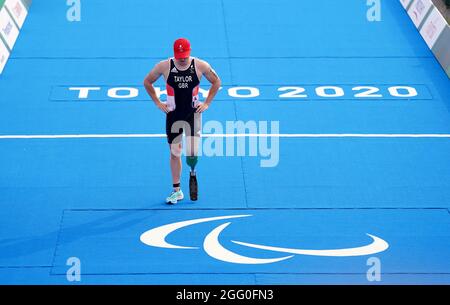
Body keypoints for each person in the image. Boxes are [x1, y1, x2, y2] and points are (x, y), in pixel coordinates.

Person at [143, 38, 221, 204]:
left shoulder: (200, 66)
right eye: (179, 56)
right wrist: (158, 102)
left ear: (190, 51)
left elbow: (216, 81)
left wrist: (207, 102)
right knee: (174, 152)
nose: (182, 59)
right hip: (173, 115)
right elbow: (147, 82)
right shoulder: (164, 66)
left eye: (184, 55)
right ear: (174, 53)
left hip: (193, 114)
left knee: (192, 153)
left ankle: (192, 171)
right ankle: (176, 190)